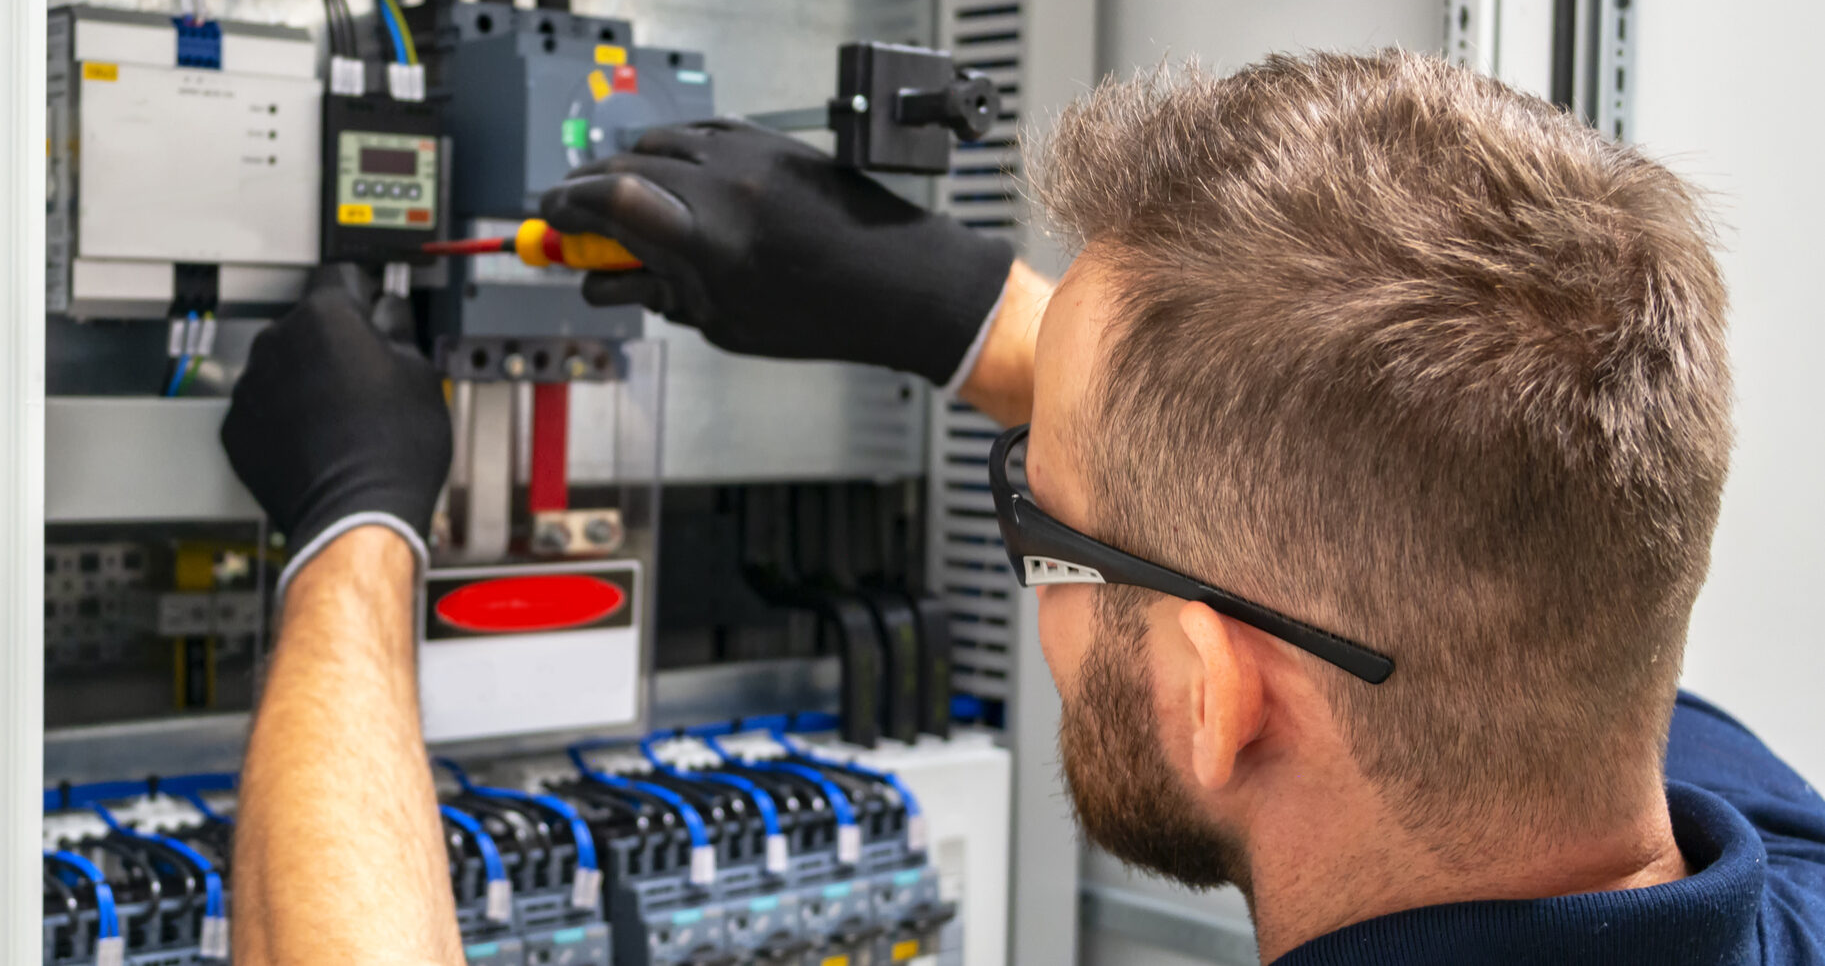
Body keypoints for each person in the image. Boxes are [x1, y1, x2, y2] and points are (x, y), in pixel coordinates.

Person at [216, 51, 1825, 965]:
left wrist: (353, 535)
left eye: (1037, 524)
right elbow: (1474, 522)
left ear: (1210, 695)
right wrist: (968, 312)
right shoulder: (1772, 871)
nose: (1029, 555)